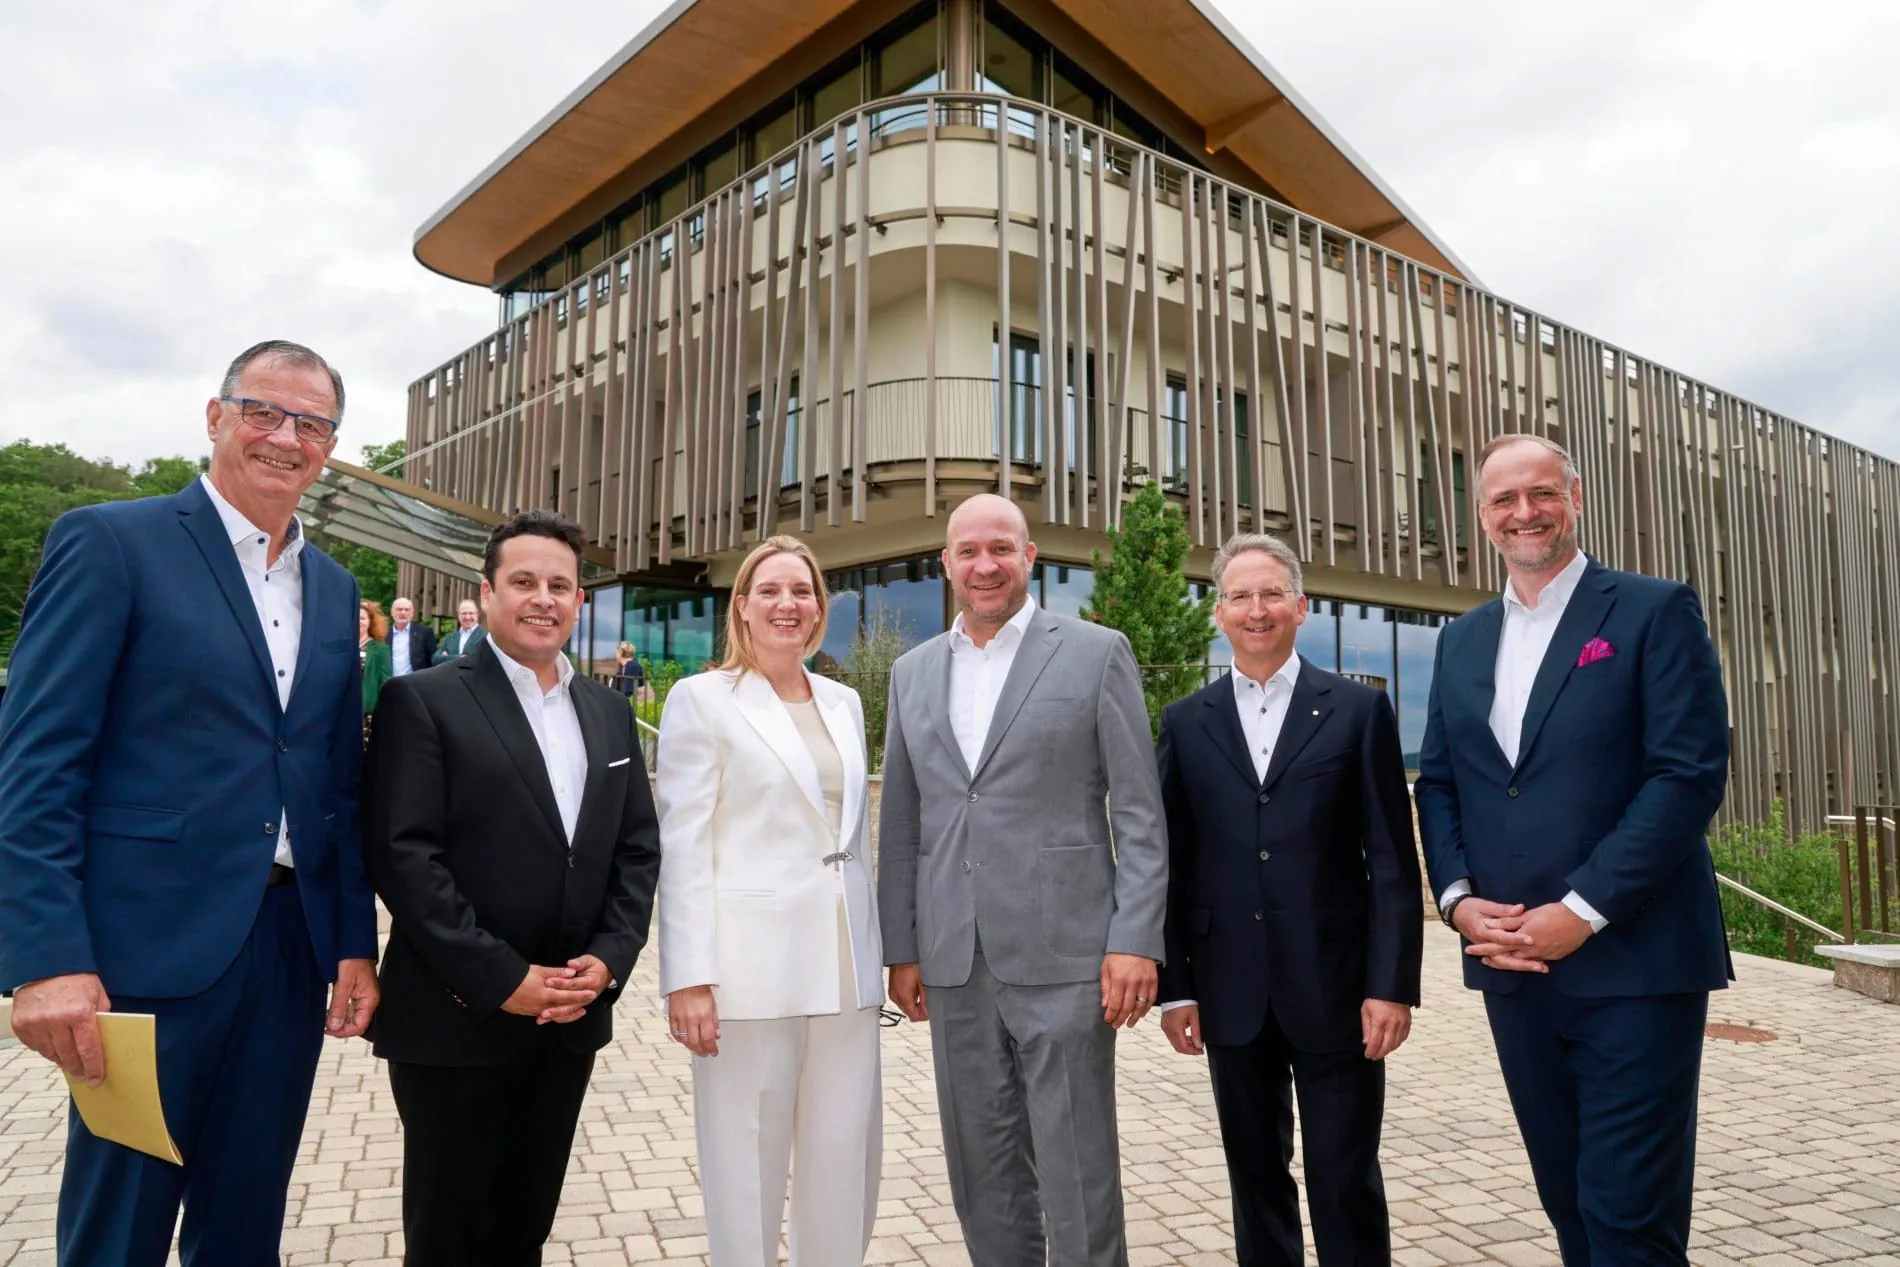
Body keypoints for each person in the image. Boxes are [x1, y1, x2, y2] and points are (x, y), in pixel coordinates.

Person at [0, 340, 380, 1265]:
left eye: (312, 423)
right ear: (215, 417)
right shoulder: (112, 541)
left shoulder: (334, 589)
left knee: (244, 1227)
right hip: (146, 957)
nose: (286, 437)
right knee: (118, 1233)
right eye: (264, 411)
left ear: (329, 446)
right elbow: (37, 762)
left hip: (288, 953)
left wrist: (353, 940)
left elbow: (333, 782)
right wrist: (45, 956)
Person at [1415, 434, 1731, 1266]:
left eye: (1542, 493)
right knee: (1569, 1205)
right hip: (1513, 968)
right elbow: (1440, 782)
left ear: (1576, 498)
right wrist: (1455, 899)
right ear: (1482, 516)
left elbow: (1686, 775)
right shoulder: (1461, 639)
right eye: (1504, 500)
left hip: (1636, 963)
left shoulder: (1653, 610)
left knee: (1628, 1215)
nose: (1525, 512)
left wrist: (1582, 910)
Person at [363, 509, 663, 1267]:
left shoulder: (607, 709)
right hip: (456, 1021)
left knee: (522, 1229)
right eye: (524, 581)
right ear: (488, 593)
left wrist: (609, 958)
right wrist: (502, 978)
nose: (543, 597)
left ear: (580, 600)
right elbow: (405, 858)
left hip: (567, 1017)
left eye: (560, 584)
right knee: (450, 1236)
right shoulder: (424, 700)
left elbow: (635, 849)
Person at [878, 492, 1167, 1267]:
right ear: (944, 563)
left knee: (1077, 1168)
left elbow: (1139, 811)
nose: (984, 565)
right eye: (967, 550)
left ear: (1030, 557)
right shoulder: (911, 673)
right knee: (982, 1168)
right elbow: (902, 822)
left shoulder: (1096, 652)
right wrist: (902, 947)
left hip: (1068, 958)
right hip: (952, 959)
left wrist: (1134, 938)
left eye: (1000, 548)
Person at [1155, 532, 1421, 1267]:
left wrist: (1390, 985)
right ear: (1218, 612)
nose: (1257, 608)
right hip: (1226, 985)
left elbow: (1394, 861)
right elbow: (1170, 862)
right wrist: (1175, 987)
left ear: (1302, 606)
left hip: (1338, 987)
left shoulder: (1357, 711)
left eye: (1272, 593)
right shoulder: (1185, 721)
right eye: (1240, 595)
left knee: (1344, 1175)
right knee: (1254, 1174)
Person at [656, 535, 884, 1267]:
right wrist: (688, 974)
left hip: (847, 969)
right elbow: (684, 842)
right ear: (744, 607)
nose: (789, 603)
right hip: (744, 974)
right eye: (772, 590)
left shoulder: (844, 701)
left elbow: (852, 833)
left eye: (803, 590)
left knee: (843, 1158)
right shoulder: (702, 698)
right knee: (744, 1161)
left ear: (819, 607)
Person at [386, 595, 437, 675]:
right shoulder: (383, 633)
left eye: (407, 610)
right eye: (399, 609)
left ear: (412, 613)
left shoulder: (424, 632)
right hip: (388, 682)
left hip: (415, 682)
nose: (403, 613)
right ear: (392, 612)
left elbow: (433, 659)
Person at [362, 598, 395, 716]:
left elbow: (385, 682)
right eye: (355, 618)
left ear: (370, 621)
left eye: (362, 618)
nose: (359, 622)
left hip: (368, 709)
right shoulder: (343, 646)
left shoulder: (381, 649)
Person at [432, 598, 488, 662]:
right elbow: (435, 659)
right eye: (464, 613)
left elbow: (484, 660)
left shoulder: (486, 636)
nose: (467, 617)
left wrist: (447, 657)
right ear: (458, 615)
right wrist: (459, 657)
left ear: (477, 614)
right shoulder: (450, 638)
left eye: (471, 613)